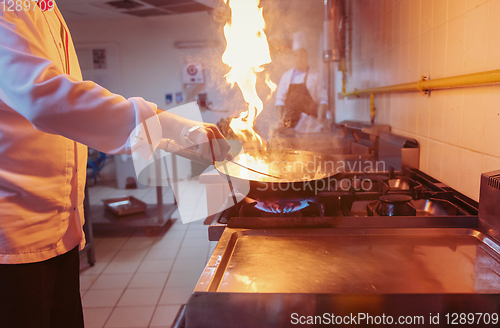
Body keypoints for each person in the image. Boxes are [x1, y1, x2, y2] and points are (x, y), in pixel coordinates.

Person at [0, 2, 229, 328]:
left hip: (59, 230)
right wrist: (171, 126)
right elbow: (45, 97)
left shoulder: (47, 9)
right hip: (13, 236)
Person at [275, 32, 329, 129]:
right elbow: (280, 101)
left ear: (306, 56)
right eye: (296, 55)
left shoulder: (316, 76)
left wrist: (320, 119)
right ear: (293, 57)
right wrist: (279, 120)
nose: (299, 58)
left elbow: (323, 100)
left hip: (310, 126)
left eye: (302, 55)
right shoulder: (286, 76)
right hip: (289, 126)